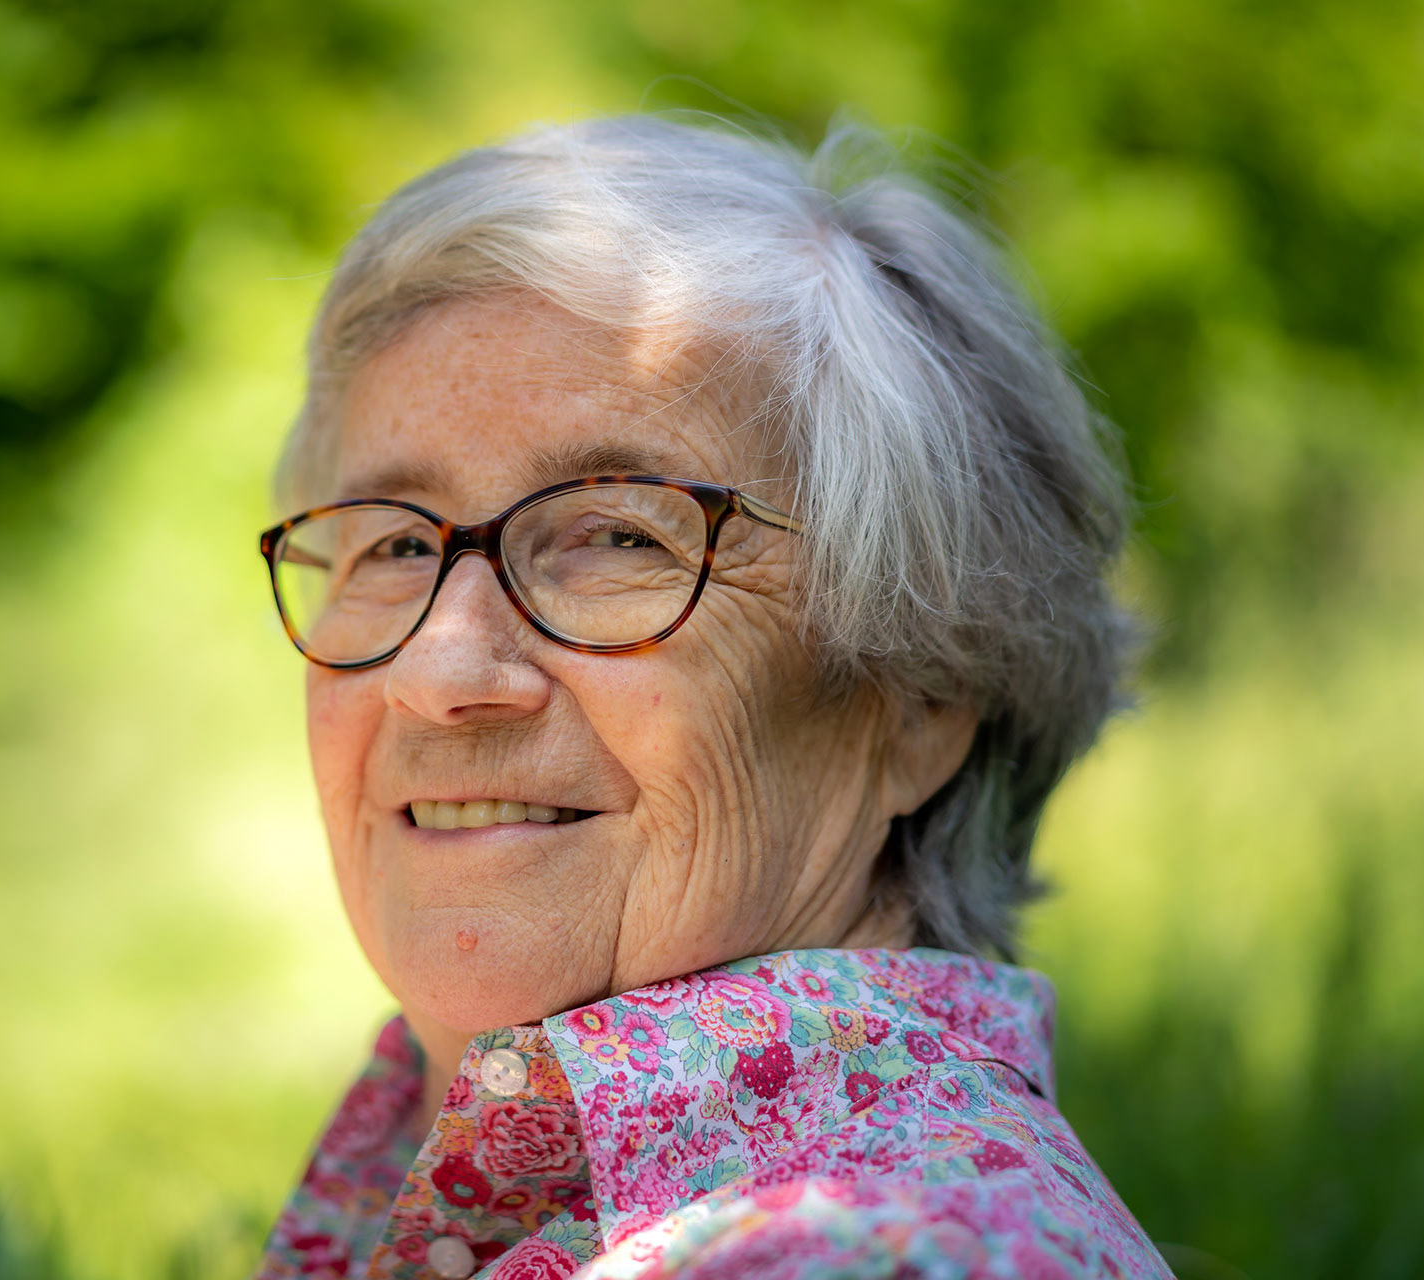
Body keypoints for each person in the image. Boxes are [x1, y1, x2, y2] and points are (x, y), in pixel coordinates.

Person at [251, 114, 1169, 1280]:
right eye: (391, 545)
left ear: (921, 695)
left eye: (618, 535)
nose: (440, 670)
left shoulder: (873, 1250)